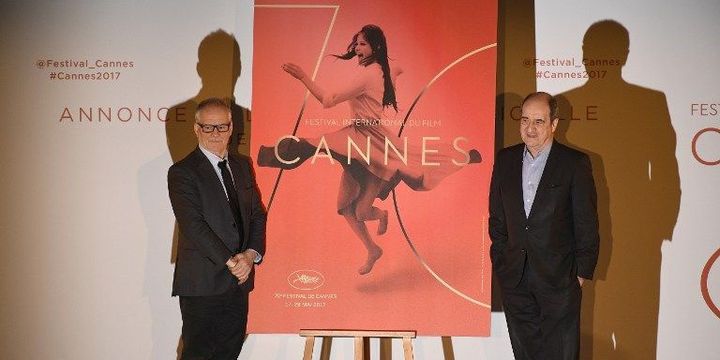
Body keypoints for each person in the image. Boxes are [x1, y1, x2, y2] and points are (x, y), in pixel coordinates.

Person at [257, 24, 480, 275]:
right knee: (344, 206)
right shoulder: (384, 70)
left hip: (369, 142)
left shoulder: (369, 75)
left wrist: (302, 77)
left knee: (361, 209)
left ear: (375, 47)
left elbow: (328, 101)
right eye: (356, 43)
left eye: (362, 43)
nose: (357, 48)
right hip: (358, 137)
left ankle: (272, 155)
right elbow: (396, 69)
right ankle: (372, 249)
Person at [489, 92, 599, 359]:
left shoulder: (573, 163)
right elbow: (497, 217)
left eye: (538, 121)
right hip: (515, 277)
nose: (530, 128)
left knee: (560, 354)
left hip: (559, 279)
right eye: (525, 120)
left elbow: (586, 222)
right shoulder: (505, 159)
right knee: (525, 353)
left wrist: (580, 274)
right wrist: (501, 261)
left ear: (554, 124)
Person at [168, 97, 267, 359]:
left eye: (221, 127)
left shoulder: (242, 165)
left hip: (238, 282)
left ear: (231, 127)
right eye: (208, 127)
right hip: (202, 282)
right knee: (198, 354)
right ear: (196, 128)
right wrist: (232, 262)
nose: (215, 134)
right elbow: (193, 225)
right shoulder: (182, 172)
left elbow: (257, 214)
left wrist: (250, 255)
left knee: (229, 352)